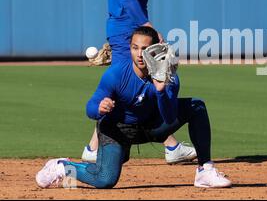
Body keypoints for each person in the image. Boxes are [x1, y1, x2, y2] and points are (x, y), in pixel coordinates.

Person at [36, 26, 232, 189]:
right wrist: (100, 108)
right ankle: (62, 166)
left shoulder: (168, 76)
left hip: (152, 126)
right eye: (134, 48)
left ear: (156, 49)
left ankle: (204, 171)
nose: (139, 54)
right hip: (117, 130)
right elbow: (90, 107)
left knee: (196, 106)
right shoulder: (117, 74)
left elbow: (170, 117)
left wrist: (161, 91)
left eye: (144, 48)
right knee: (105, 179)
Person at [82, 0, 197, 164]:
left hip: (125, 28)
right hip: (127, 29)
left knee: (136, 84)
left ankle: (92, 148)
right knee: (141, 81)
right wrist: (145, 25)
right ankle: (169, 145)